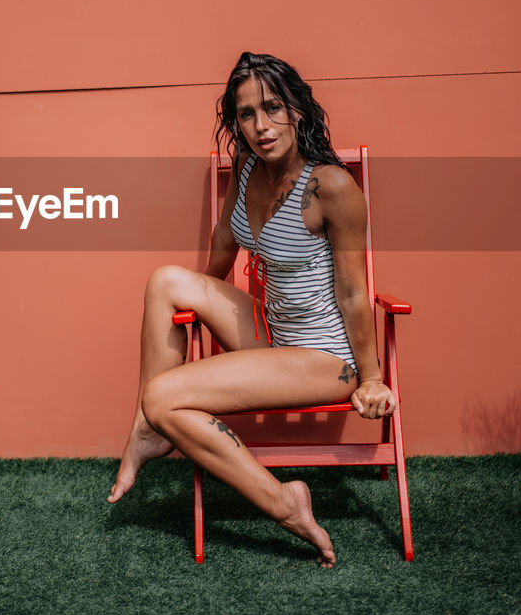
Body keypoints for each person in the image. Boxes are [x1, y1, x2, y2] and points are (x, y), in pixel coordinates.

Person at [107, 51, 396, 568]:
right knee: (165, 281)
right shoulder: (245, 167)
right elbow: (224, 238)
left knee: (164, 395)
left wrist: (371, 378)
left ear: (298, 109)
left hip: (325, 359)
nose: (261, 126)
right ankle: (149, 429)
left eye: (273, 107)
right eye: (246, 114)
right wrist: (200, 297)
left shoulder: (330, 187)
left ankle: (283, 501)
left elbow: (354, 293)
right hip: (272, 335)